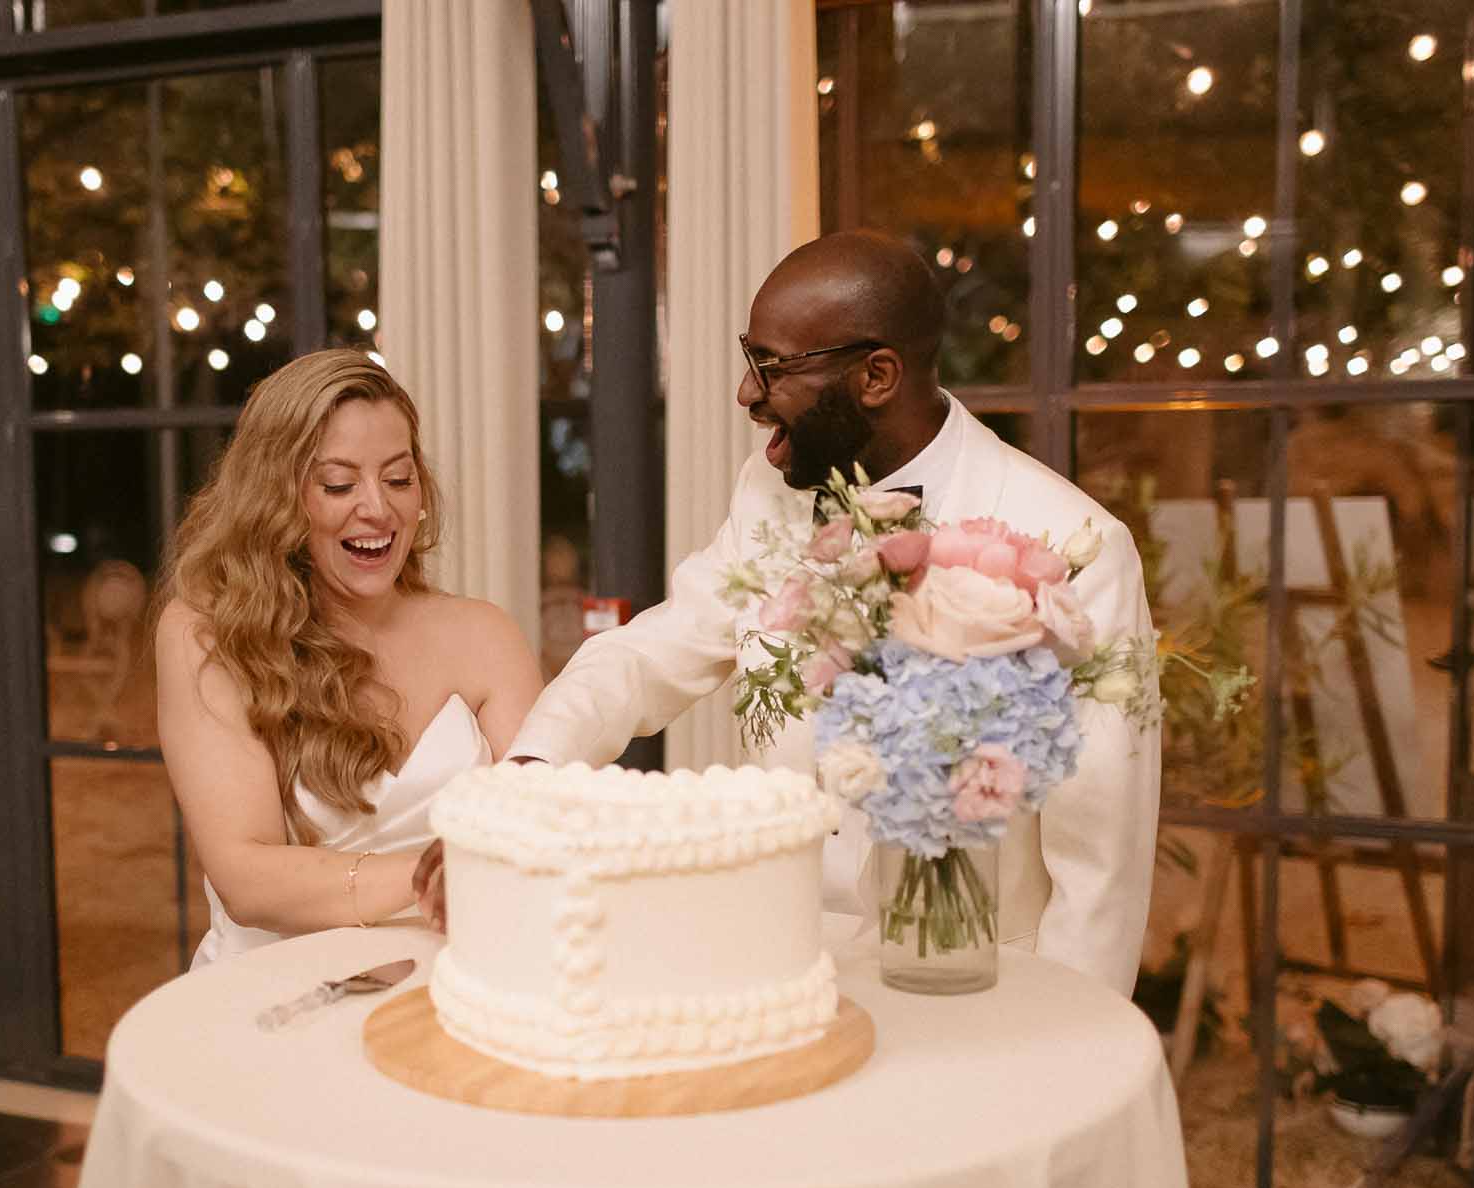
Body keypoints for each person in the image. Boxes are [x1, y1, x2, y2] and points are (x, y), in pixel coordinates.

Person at [430, 231, 1160, 993]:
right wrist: (529, 769)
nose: (747, 393)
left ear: (877, 375)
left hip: (976, 980)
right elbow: (653, 651)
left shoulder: (1072, 547)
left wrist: (1063, 1038)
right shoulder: (768, 493)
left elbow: (1099, 860)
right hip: (779, 961)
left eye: (771, 367)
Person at [158, 349, 543, 967]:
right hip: (278, 994)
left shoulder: (484, 634)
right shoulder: (207, 637)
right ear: (276, 498)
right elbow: (246, 879)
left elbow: (545, 819)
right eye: (338, 484)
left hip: (465, 982)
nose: (378, 508)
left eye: (398, 478)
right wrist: (441, 873)